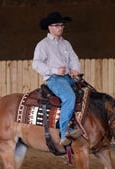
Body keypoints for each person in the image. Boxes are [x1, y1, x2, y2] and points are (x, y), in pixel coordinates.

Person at [32, 11, 82, 146]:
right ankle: (64, 131)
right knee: (69, 97)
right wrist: (55, 71)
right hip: (54, 79)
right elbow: (36, 63)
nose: (60, 28)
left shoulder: (66, 44)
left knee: (86, 94)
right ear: (50, 27)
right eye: (57, 25)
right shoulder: (43, 45)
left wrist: (75, 69)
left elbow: (74, 59)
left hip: (68, 77)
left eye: (62, 25)